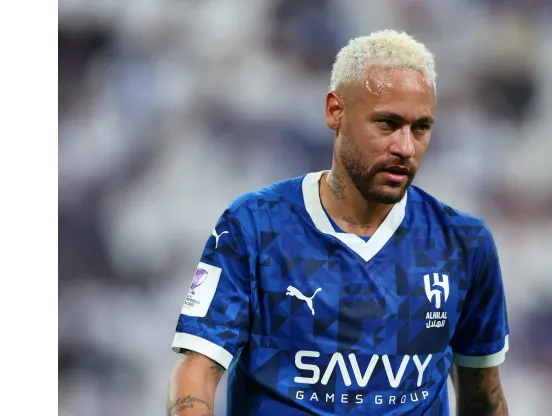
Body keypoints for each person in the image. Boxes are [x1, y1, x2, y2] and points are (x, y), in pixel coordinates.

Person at [166, 29, 510, 416]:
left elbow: (484, 394)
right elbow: (197, 371)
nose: (405, 147)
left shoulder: (464, 244)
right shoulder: (254, 226)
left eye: (420, 128)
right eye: (387, 123)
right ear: (335, 111)